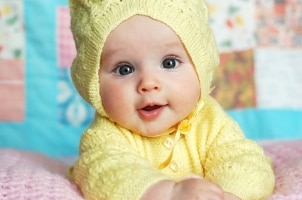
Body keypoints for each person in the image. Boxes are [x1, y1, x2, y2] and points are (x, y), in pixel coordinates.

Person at [68, 0, 275, 199]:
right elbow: (106, 172)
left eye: (169, 63)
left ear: (200, 68)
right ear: (93, 83)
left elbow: (245, 160)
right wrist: (166, 194)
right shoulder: (104, 136)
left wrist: (228, 194)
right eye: (125, 69)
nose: (148, 83)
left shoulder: (210, 122)